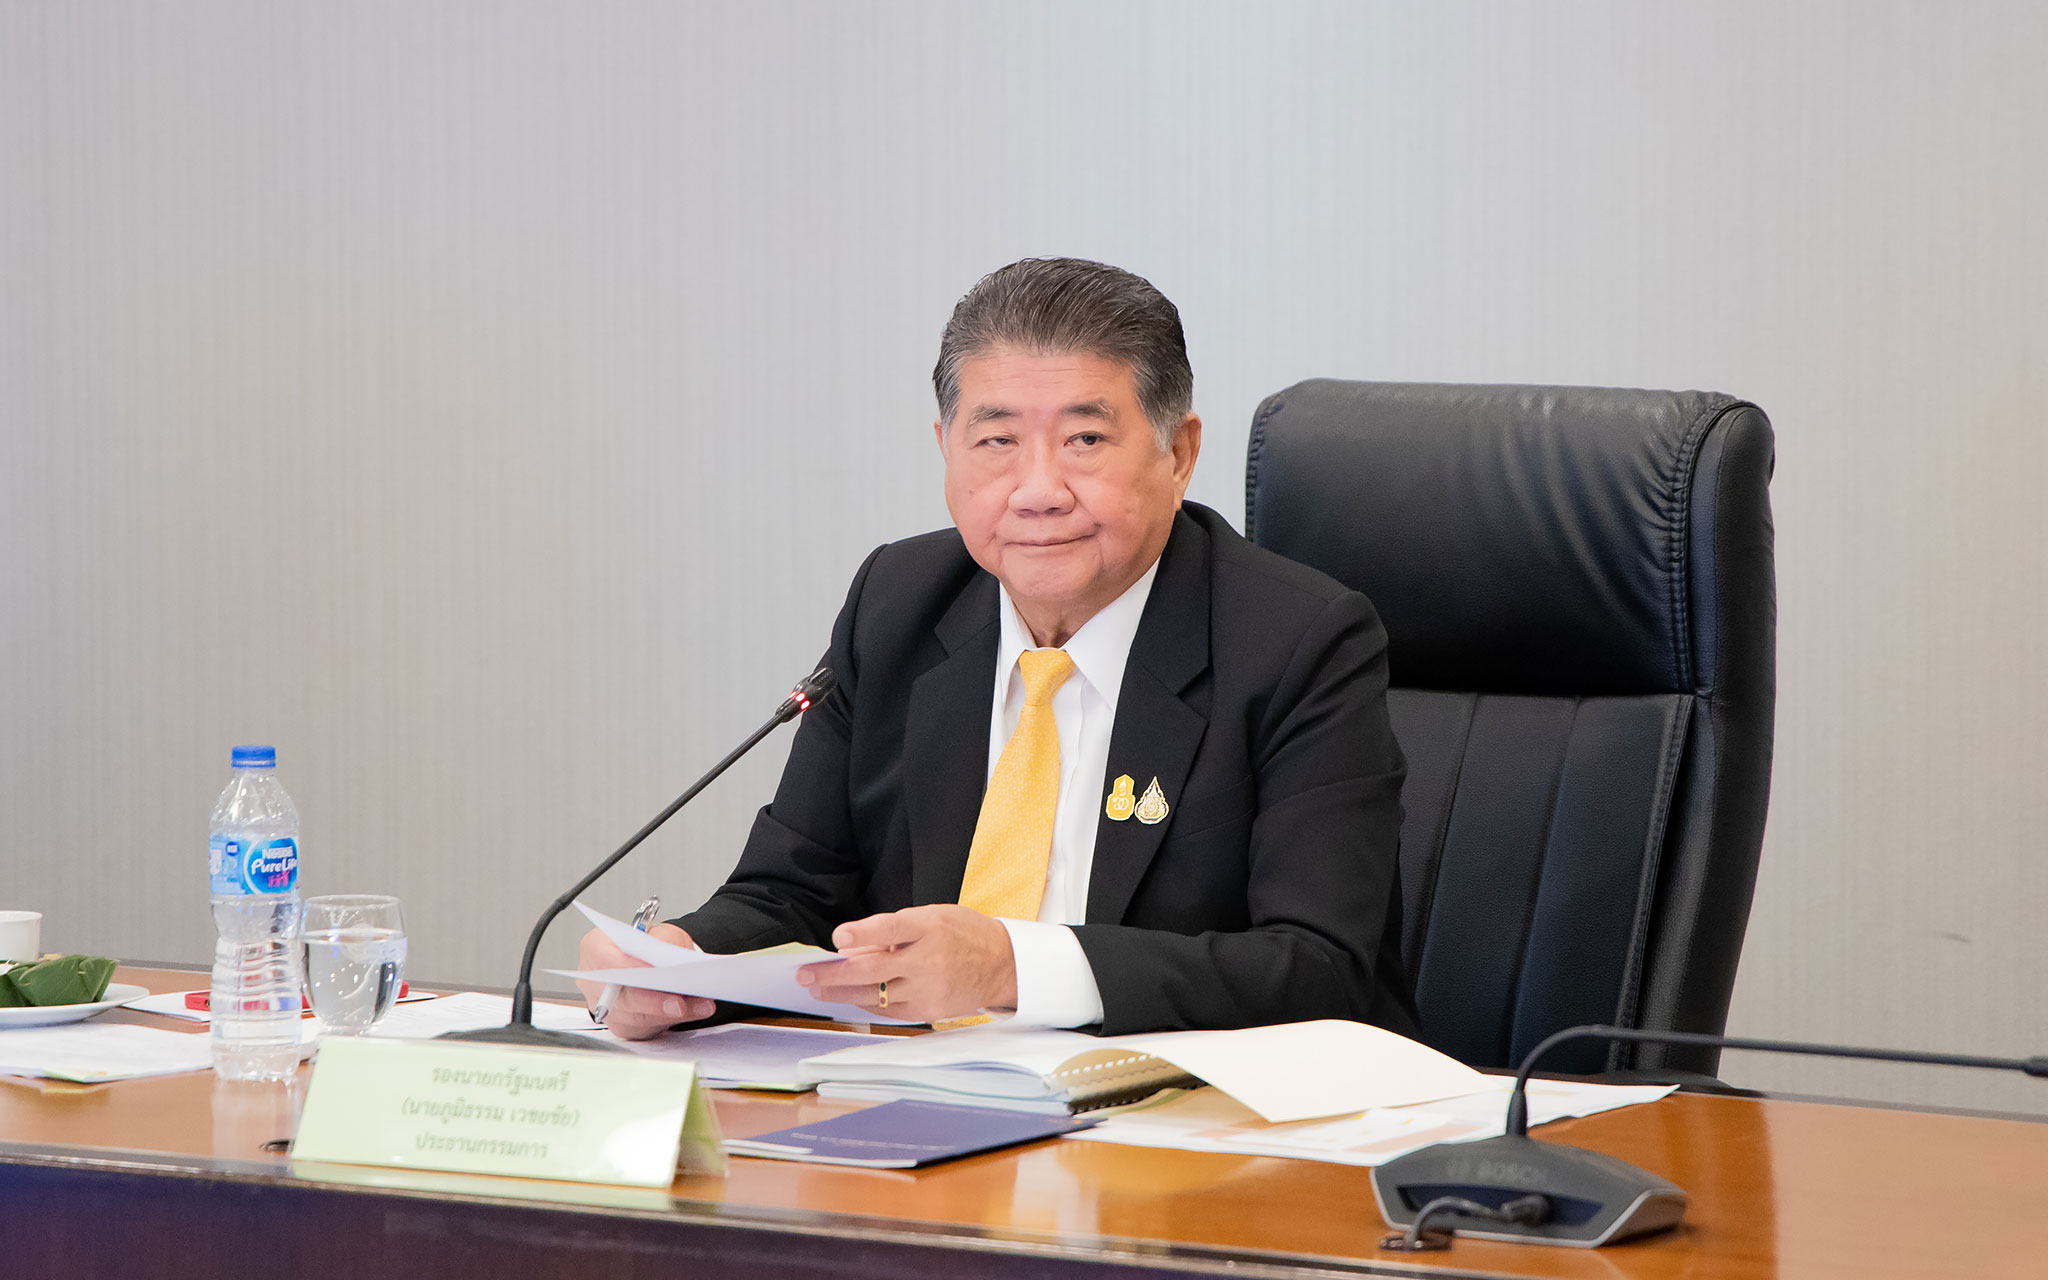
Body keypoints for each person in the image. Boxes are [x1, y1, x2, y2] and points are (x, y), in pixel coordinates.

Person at [578, 257, 1418, 1040]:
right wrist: (679, 961)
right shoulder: (899, 604)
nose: (1039, 491)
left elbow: (1320, 969)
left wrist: (1011, 967)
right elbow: (794, 893)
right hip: (924, 1102)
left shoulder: (1297, 640)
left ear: (1179, 453)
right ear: (946, 449)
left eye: (1085, 440)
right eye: (997, 441)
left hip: (1179, 1117)